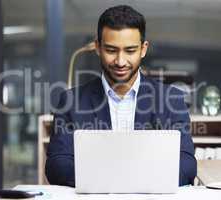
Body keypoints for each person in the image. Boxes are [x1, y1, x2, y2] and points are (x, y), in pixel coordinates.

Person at [46, 5, 197, 187]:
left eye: (130, 50)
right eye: (111, 50)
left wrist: (131, 182)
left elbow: (186, 164)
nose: (120, 61)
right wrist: (113, 182)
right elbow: (57, 166)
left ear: (143, 49)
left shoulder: (172, 100)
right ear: (97, 47)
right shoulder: (70, 101)